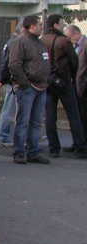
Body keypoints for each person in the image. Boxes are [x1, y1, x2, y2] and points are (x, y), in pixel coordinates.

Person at [40, 15, 87, 158]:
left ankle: (54, 147)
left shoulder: (42, 40)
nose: (63, 26)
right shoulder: (63, 41)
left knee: (50, 116)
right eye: (61, 23)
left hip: (48, 81)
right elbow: (74, 62)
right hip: (64, 81)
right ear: (55, 25)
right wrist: (71, 77)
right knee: (74, 115)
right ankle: (80, 146)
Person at [8, 15, 51, 165]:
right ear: (31, 26)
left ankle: (33, 152)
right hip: (28, 88)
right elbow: (14, 65)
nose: (41, 27)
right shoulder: (20, 42)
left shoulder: (40, 42)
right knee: (23, 121)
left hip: (41, 87)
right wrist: (25, 83)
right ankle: (19, 152)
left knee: (37, 121)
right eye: (39, 24)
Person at [0, 25, 23, 148]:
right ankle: (2, 136)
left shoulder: (11, 42)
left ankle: (3, 136)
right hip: (14, 82)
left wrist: (2, 78)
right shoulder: (14, 43)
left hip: (12, 81)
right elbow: (6, 63)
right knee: (9, 111)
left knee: (11, 110)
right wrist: (2, 79)